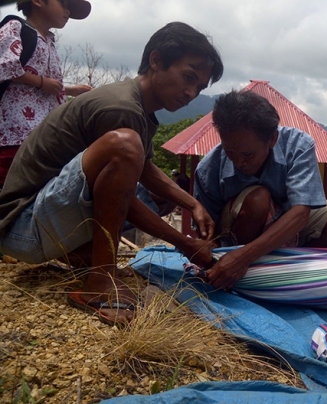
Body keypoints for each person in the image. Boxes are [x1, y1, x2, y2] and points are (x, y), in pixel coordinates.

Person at [0, 22, 224, 324]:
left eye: (199, 87)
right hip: (21, 227)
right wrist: (185, 244)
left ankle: (84, 254)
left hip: (45, 221)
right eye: (188, 78)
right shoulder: (122, 107)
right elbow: (125, 190)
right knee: (125, 145)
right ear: (156, 60)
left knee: (150, 179)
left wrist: (192, 203)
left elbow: (143, 170)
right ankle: (99, 283)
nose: (191, 93)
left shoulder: (140, 110)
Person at [194, 90, 327, 291]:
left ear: (272, 139)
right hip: (236, 240)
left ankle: (290, 267)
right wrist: (220, 258)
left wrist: (245, 257)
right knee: (258, 199)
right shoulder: (208, 169)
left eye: (248, 154)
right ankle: (247, 275)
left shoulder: (299, 145)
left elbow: (300, 213)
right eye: (230, 152)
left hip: (288, 229)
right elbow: (208, 233)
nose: (239, 162)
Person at [0, 0, 93, 188]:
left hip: (41, 137)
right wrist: (42, 83)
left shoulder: (49, 41)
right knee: (11, 193)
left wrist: (69, 90)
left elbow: (32, 86)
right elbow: (5, 66)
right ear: (38, 1)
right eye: (64, 3)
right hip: (14, 135)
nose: (67, 11)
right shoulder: (16, 27)